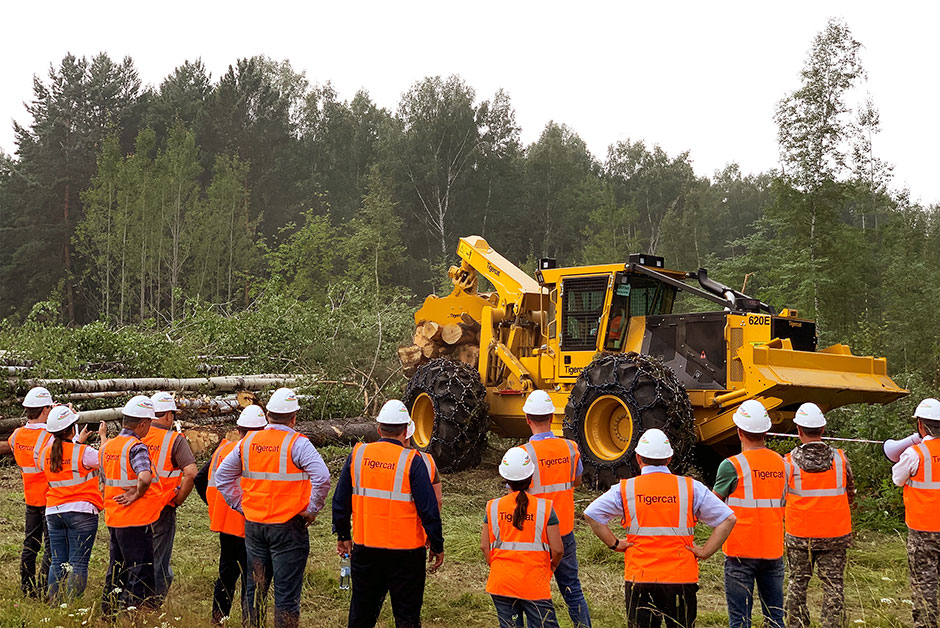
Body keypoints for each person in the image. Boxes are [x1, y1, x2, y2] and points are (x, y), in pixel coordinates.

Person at [584, 428, 736, 628]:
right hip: (681, 577)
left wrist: (615, 544)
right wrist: (705, 552)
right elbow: (728, 519)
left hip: (640, 577)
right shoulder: (690, 487)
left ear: (638, 458)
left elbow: (591, 514)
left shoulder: (626, 489)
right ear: (670, 459)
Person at [215, 387, 331, 628]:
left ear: (268, 414)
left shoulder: (248, 442)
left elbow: (223, 476)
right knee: (286, 596)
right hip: (288, 529)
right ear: (294, 417)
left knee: (255, 591)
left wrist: (241, 505)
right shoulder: (297, 444)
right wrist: (312, 509)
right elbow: (322, 478)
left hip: (255, 528)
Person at [332, 399, 444, 628]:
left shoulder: (358, 454)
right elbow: (429, 509)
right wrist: (437, 544)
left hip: (366, 550)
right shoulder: (412, 460)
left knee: (362, 615)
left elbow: (340, 501)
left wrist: (343, 536)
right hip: (407, 555)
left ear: (378, 429)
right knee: (407, 617)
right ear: (406, 431)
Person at [712, 399, 787, 628]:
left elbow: (713, 505)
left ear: (739, 432)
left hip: (740, 552)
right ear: (766, 431)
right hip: (773, 550)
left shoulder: (731, 465)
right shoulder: (783, 463)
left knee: (740, 621)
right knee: (775, 618)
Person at [519, 390, 591, 627]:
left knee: (536, 592)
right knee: (572, 589)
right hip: (564, 530)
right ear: (552, 417)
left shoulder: (523, 455)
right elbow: (577, 481)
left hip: (535, 534)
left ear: (528, 419)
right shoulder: (570, 448)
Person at [784, 403, 855, 628]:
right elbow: (850, 493)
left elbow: (780, 497)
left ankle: (796, 625)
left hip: (799, 535)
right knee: (834, 588)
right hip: (835, 535)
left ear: (798, 429)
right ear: (823, 429)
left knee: (796, 586)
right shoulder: (841, 460)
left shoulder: (788, 462)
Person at [194, 404, 266, 625]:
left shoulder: (224, 449)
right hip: (250, 524)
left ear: (239, 428)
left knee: (226, 575)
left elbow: (199, 479)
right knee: (252, 579)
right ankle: (251, 622)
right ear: (264, 429)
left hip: (226, 523)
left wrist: (216, 505)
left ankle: (219, 619)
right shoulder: (260, 453)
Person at [481, 446, 564, 627]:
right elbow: (557, 549)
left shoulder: (492, 507)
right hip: (535, 582)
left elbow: (484, 547)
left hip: (501, 582)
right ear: (531, 477)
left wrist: (497, 566)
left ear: (505, 479)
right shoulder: (545, 509)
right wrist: (551, 568)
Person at [100, 395, 164, 616]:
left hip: (114, 518)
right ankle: (134, 614)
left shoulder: (108, 447)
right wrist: (136, 494)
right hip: (136, 519)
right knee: (140, 571)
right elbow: (145, 477)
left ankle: (108, 613)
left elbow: (105, 479)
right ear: (144, 424)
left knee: (116, 569)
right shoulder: (136, 447)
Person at [37, 406, 107, 601]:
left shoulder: (44, 454)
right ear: (71, 428)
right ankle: (73, 605)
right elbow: (106, 458)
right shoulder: (84, 453)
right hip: (82, 511)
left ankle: (53, 601)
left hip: (54, 511)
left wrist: (77, 440)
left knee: (57, 562)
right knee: (78, 564)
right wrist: (102, 436)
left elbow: (63, 454)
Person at [0, 386, 55, 597]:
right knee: (51, 548)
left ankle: (27, 587)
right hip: (49, 498)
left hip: (30, 497)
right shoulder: (48, 437)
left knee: (30, 544)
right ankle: (43, 587)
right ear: (45, 410)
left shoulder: (16, 436)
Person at [144, 391, 198, 603]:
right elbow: (192, 473)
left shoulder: (136, 434)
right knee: (158, 558)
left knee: (134, 555)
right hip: (162, 506)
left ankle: (131, 599)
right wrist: (179, 499)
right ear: (168, 416)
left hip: (132, 505)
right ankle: (152, 604)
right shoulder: (174, 439)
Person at [892, 397, 940, 628]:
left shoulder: (915, 453)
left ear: (920, 425)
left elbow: (897, 478)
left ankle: (926, 624)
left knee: (924, 582)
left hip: (923, 529)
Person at [405, 419, 443, 510]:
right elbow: (437, 502)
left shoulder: (366, 456)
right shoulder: (426, 461)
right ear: (410, 432)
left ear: (379, 430)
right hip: (413, 523)